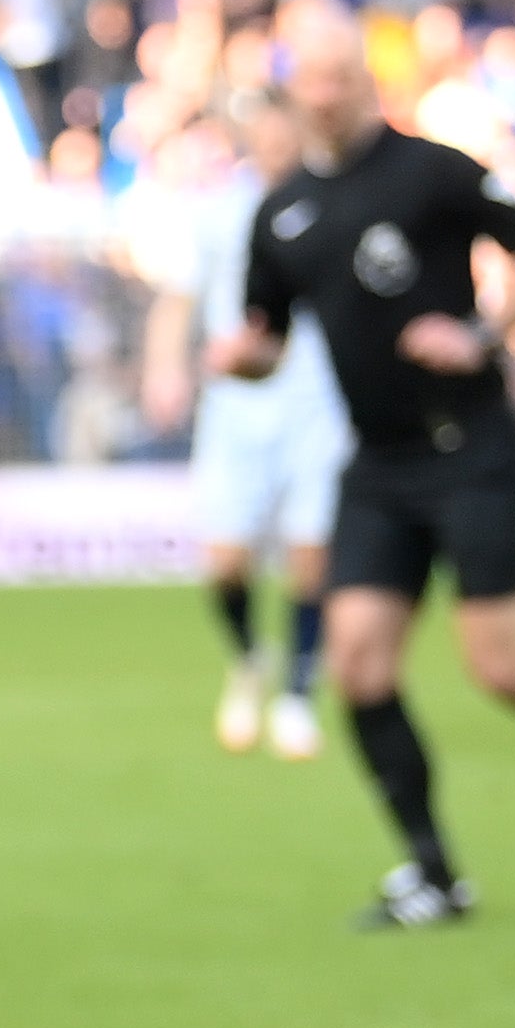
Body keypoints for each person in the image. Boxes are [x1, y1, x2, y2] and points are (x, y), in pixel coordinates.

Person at [213, 0, 515, 928]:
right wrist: (239, 358)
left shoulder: (429, 172)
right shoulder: (281, 214)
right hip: (379, 465)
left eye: (341, 78)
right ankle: (433, 873)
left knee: (506, 670)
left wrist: (480, 332)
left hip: (467, 448)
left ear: (367, 81)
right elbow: (265, 337)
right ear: (291, 92)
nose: (325, 96)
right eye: (310, 81)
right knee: (358, 664)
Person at [152, 88, 349, 758]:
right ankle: (249, 657)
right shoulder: (219, 213)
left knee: (310, 556)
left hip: (317, 401)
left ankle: (297, 693)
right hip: (236, 407)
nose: (273, 148)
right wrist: (165, 370)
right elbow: (178, 299)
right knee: (226, 561)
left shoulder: (332, 205)